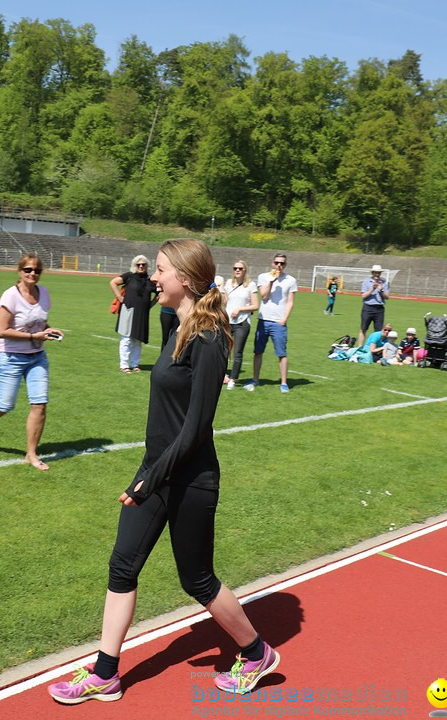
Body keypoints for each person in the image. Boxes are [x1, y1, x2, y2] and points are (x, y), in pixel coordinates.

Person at [47, 238, 279, 705]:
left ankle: (256, 653)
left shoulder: (211, 337)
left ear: (187, 279)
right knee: (122, 564)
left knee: (197, 581)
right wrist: (149, 473)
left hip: (190, 479)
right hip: (155, 470)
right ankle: (105, 673)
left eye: (160, 270)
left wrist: (149, 479)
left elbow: (196, 428)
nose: (153, 277)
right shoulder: (175, 324)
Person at [0, 254, 63, 471]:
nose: (32, 274)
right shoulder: (10, 296)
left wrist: (48, 330)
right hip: (10, 358)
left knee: (40, 404)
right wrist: (32, 337)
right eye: (28, 270)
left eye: (37, 270)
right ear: (19, 271)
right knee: (4, 406)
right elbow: (2, 331)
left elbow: (40, 321)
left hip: (37, 357)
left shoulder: (44, 293)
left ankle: (31, 454)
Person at [246, 254, 297, 393]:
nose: (279, 266)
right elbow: (264, 296)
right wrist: (271, 281)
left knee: (282, 353)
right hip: (263, 320)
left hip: (279, 322)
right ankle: (255, 379)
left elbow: (290, 301)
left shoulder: (291, 280)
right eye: (277, 263)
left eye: (282, 263)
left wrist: (284, 319)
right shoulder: (264, 277)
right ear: (272, 263)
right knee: (258, 351)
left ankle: (284, 383)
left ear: (285, 265)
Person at [110, 255, 156, 373]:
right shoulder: (129, 276)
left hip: (142, 313)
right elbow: (113, 282)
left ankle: (135, 364)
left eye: (143, 264)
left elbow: (159, 293)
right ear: (134, 265)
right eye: (138, 264)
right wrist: (119, 297)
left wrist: (151, 304)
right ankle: (124, 365)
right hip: (128, 310)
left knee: (137, 339)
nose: (141, 266)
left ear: (147, 266)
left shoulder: (150, 280)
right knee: (126, 338)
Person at [222, 260, 259, 389]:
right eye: (235, 268)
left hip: (242, 322)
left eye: (240, 268)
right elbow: (224, 302)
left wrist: (240, 309)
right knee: (224, 350)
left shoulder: (250, 285)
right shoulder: (228, 283)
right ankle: (222, 375)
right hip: (227, 322)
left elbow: (255, 305)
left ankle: (232, 379)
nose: (237, 270)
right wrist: (219, 290)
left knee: (237, 351)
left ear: (245, 270)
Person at [357, 264, 389, 347]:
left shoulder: (384, 282)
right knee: (363, 328)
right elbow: (363, 296)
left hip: (379, 308)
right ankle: (360, 347)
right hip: (368, 307)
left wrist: (381, 290)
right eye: (375, 272)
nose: (377, 274)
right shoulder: (366, 281)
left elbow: (387, 297)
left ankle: (375, 348)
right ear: (372, 272)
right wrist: (372, 289)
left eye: (378, 272)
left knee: (378, 331)